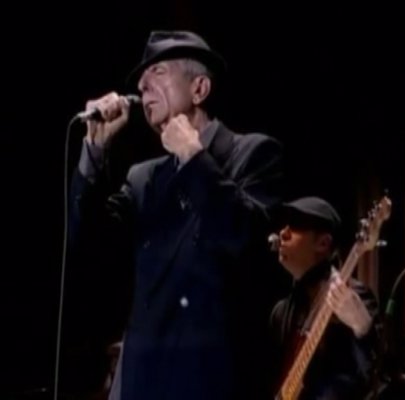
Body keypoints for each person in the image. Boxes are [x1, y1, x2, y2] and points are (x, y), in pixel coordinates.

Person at [68, 30, 284, 400]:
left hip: (213, 382)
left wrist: (193, 158)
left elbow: (248, 242)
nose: (142, 85)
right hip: (143, 383)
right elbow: (91, 249)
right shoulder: (143, 179)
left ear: (199, 89)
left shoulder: (252, 155)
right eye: (141, 80)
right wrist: (95, 151)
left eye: (158, 71)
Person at [268, 197, 380, 400]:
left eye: (296, 225)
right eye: (285, 225)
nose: (282, 233)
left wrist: (363, 327)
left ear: (323, 243)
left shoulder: (352, 295)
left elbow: (377, 374)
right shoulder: (281, 312)